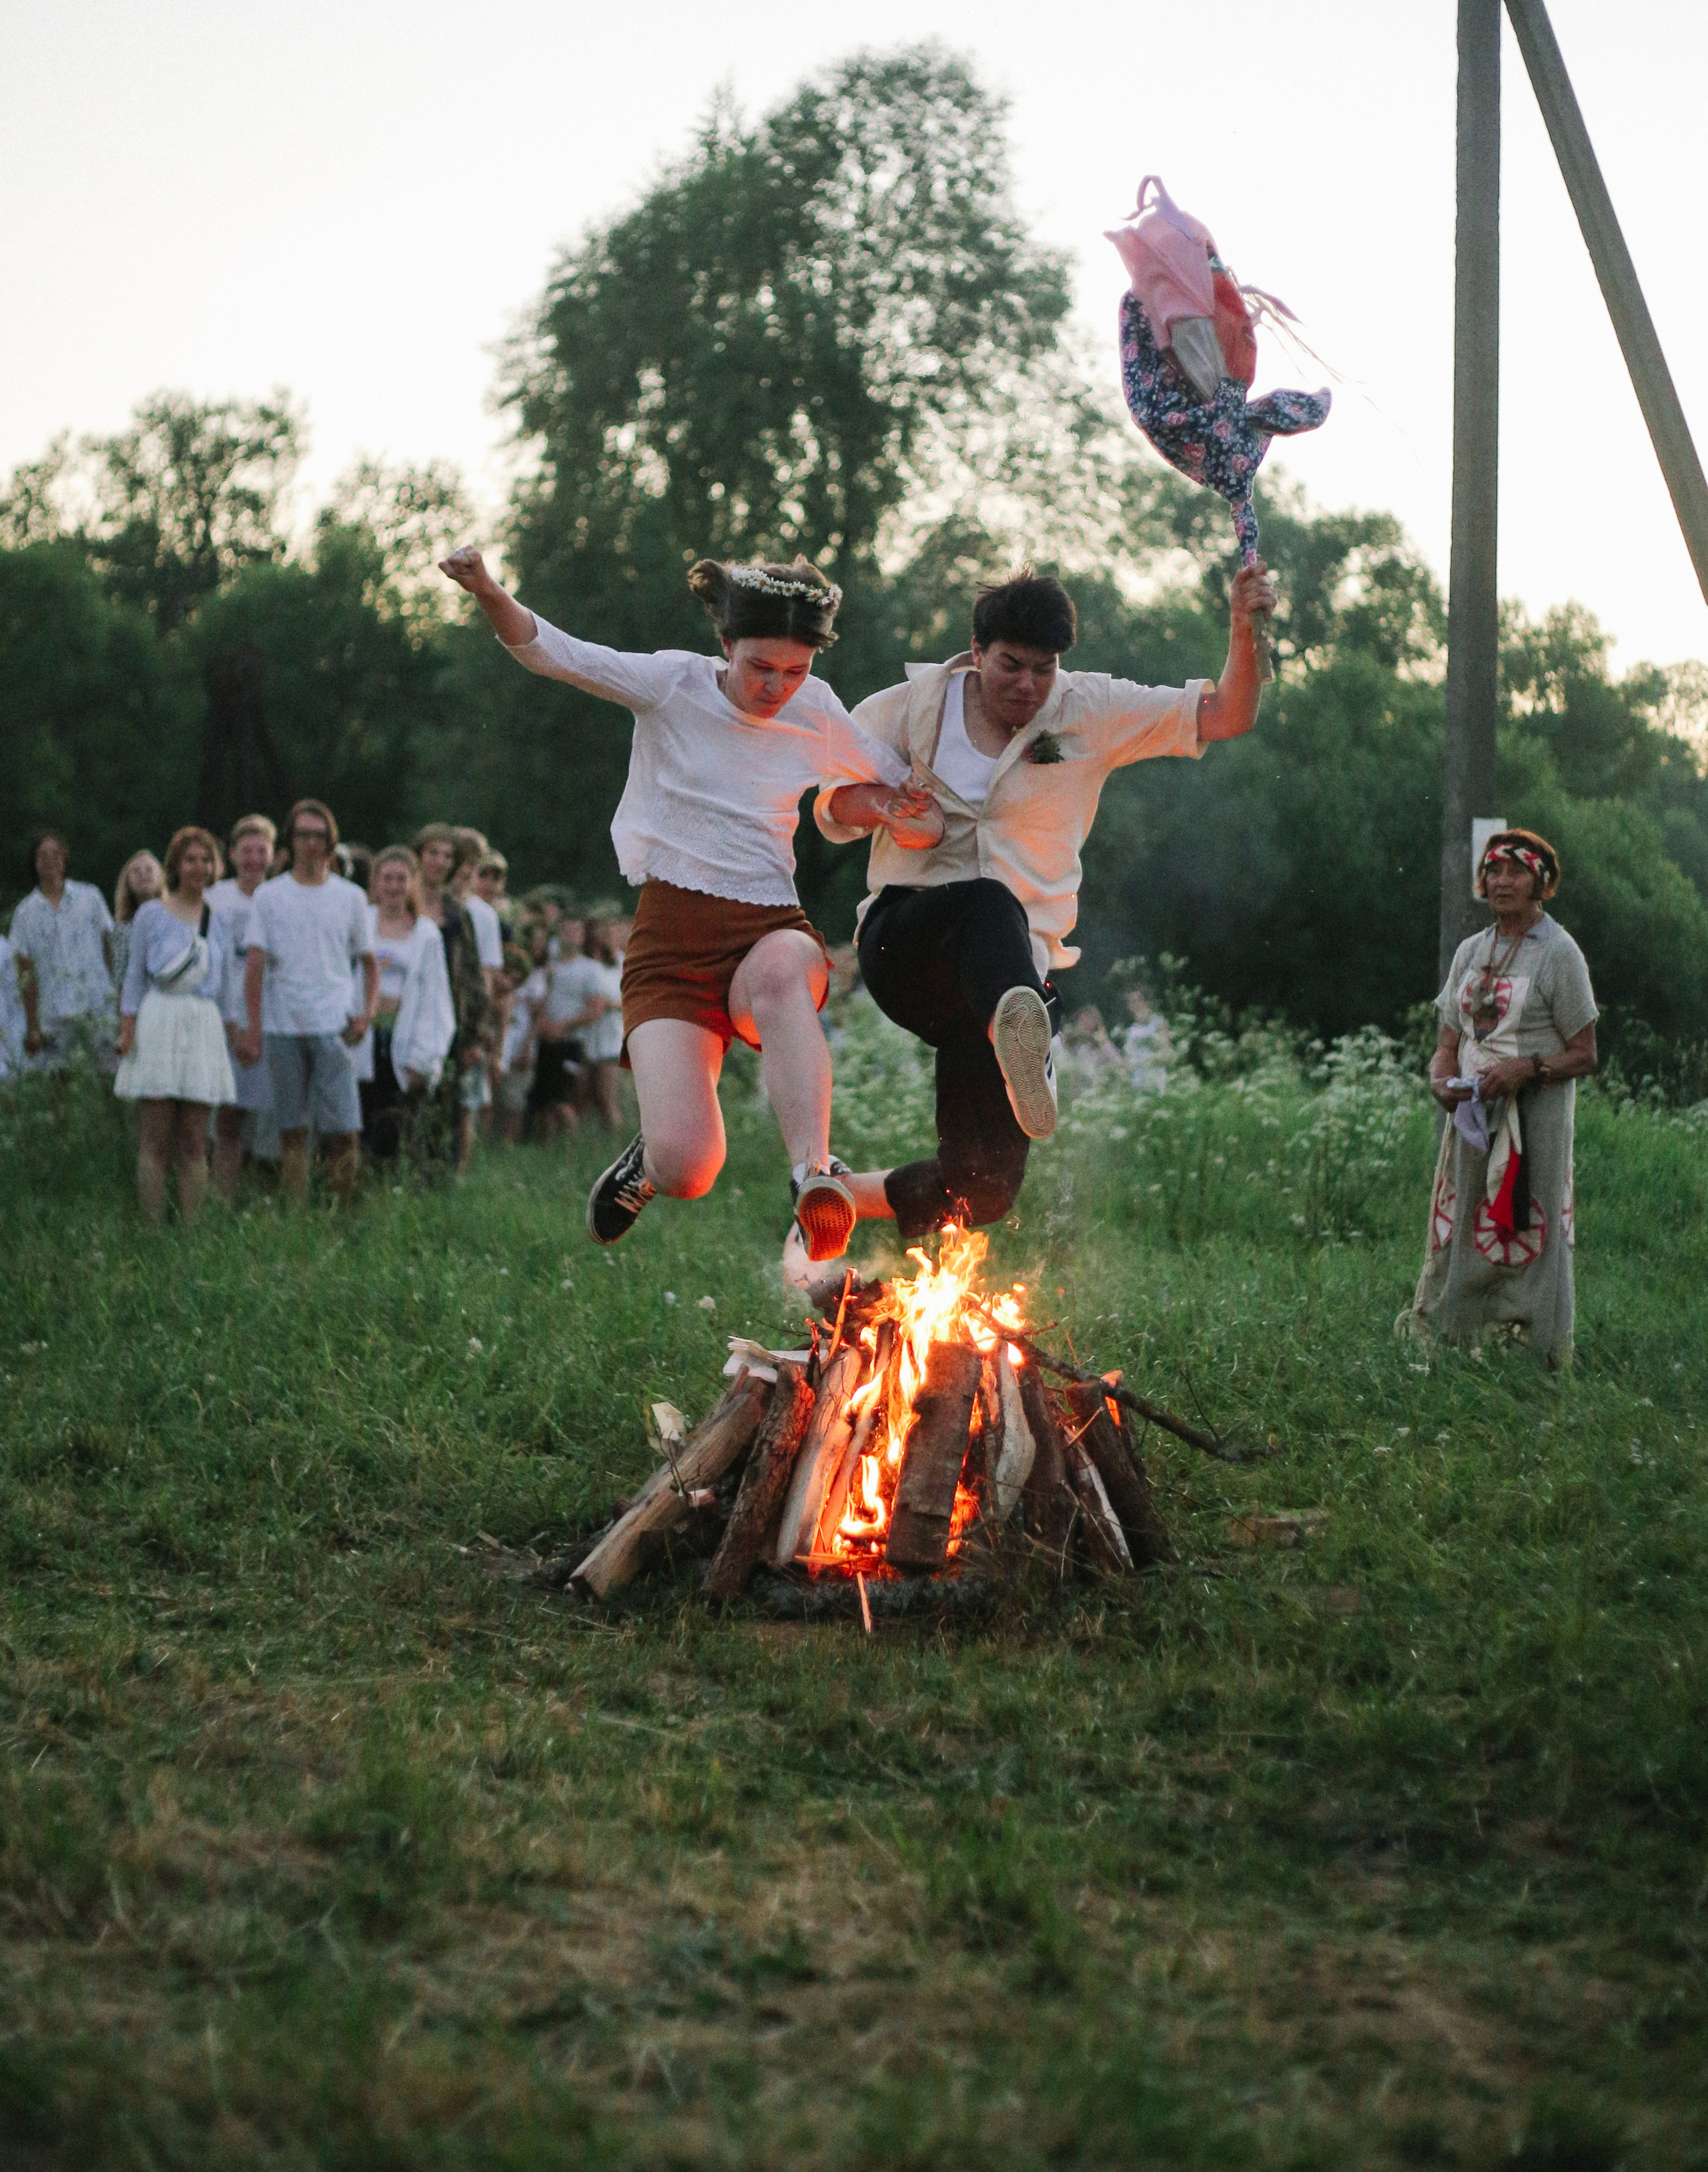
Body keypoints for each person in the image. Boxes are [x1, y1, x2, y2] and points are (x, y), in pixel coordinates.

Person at [439, 542, 937, 1258]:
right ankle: (649, 1163)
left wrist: (899, 808)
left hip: (768, 925)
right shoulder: (672, 684)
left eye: (795, 672)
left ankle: (814, 1177)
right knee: (691, 1169)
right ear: (726, 644)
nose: (776, 688)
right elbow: (556, 653)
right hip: (669, 944)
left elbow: (890, 784)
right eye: (760, 667)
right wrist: (486, 588)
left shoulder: (817, 710)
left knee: (781, 974)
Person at [816, 562, 1274, 1240]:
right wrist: (887, 802)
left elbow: (1227, 714)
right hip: (905, 943)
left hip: (1006, 979)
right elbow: (830, 808)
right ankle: (1029, 1041)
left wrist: (1244, 627)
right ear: (976, 652)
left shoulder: (1090, 708)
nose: (1028, 685)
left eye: (1044, 668)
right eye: (1010, 666)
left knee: (985, 1190)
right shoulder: (905, 707)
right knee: (987, 903)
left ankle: (843, 1195)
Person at [1402, 829, 1598, 1369]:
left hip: (1534, 1119)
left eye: (1516, 871)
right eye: (1493, 870)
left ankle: (1531, 1355)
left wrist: (1526, 1068)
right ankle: (1450, 1339)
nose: (1502, 881)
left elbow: (1585, 1053)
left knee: (1526, 1224)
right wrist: (1441, 1081)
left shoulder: (1559, 952)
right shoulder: (1471, 951)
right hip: (1471, 1119)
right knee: (1464, 1217)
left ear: (1541, 881)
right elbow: (1447, 1044)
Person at [240, 799, 378, 1203]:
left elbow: (370, 965)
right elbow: (255, 967)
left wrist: (366, 1016)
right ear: (291, 839)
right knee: (292, 1130)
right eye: (303, 834)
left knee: (345, 1130)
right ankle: (297, 1217)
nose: (312, 844)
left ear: (331, 841)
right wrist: (253, 1027)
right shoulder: (269, 896)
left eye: (320, 835)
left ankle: (339, 1214)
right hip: (284, 1024)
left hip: (334, 1024)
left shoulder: (350, 897)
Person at [113, 827, 236, 1222]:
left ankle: (191, 1232)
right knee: (154, 1137)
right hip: (159, 1019)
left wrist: (234, 1034)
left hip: (201, 1023)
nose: (199, 867)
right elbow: (134, 977)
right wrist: (128, 1028)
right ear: (176, 866)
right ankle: (152, 1230)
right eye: (191, 860)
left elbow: (227, 987)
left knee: (195, 1142)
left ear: (215, 867)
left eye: (206, 860)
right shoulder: (151, 915)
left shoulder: (219, 921)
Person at [352, 846, 456, 1161]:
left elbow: (436, 1000)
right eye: (387, 878)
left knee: (396, 1127)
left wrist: (425, 1056)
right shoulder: (361, 922)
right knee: (357, 1124)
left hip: (403, 1037)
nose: (394, 887)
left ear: (413, 884)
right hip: (362, 1034)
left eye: (402, 879)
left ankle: (395, 1193)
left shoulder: (426, 935)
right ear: (375, 882)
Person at [414, 822, 494, 1170]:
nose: (440, 862)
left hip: (449, 1020)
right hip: (405, 1015)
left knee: (446, 1106)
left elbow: (475, 977)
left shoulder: (457, 913)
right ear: (419, 855)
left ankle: (437, 1182)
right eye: (433, 853)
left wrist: (475, 1035)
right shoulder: (403, 902)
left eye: (448, 856)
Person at [208, 814, 278, 1198]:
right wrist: (232, 1025)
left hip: (271, 1021)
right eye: (246, 850)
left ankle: (262, 1201)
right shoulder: (215, 898)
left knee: (269, 1119)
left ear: (274, 854)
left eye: (261, 850)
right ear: (232, 854)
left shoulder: (280, 897)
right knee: (226, 1117)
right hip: (222, 1021)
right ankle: (221, 1200)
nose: (254, 858)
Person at [11, 831, 117, 1072]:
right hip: (54, 1016)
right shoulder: (25, 913)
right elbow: (26, 974)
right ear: (34, 863)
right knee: (60, 1086)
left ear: (65, 859)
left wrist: (117, 1002)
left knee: (104, 1080)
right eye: (43, 855)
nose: (50, 860)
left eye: (56, 854)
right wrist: (33, 1026)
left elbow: (110, 951)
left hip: (96, 1008)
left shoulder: (90, 898)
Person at [530, 912, 586, 1142]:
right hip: (545, 1040)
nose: (570, 936)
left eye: (575, 931)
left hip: (570, 1042)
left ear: (582, 937)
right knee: (545, 1103)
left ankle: (572, 1150)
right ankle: (548, 1152)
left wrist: (561, 1026)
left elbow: (595, 1010)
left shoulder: (588, 969)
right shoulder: (549, 967)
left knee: (563, 1102)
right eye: (566, 931)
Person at [576, 914, 628, 1129]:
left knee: (607, 1097)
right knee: (582, 1098)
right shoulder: (584, 964)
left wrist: (608, 1005)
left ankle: (617, 1149)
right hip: (584, 1035)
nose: (600, 937)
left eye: (605, 933)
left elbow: (629, 1000)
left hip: (610, 1036)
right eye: (596, 932)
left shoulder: (619, 964)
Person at [110, 851, 166, 998]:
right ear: (127, 881)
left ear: (160, 877)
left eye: (149, 869)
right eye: (136, 871)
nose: (143, 874)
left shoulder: (173, 922)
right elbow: (119, 979)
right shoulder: (122, 930)